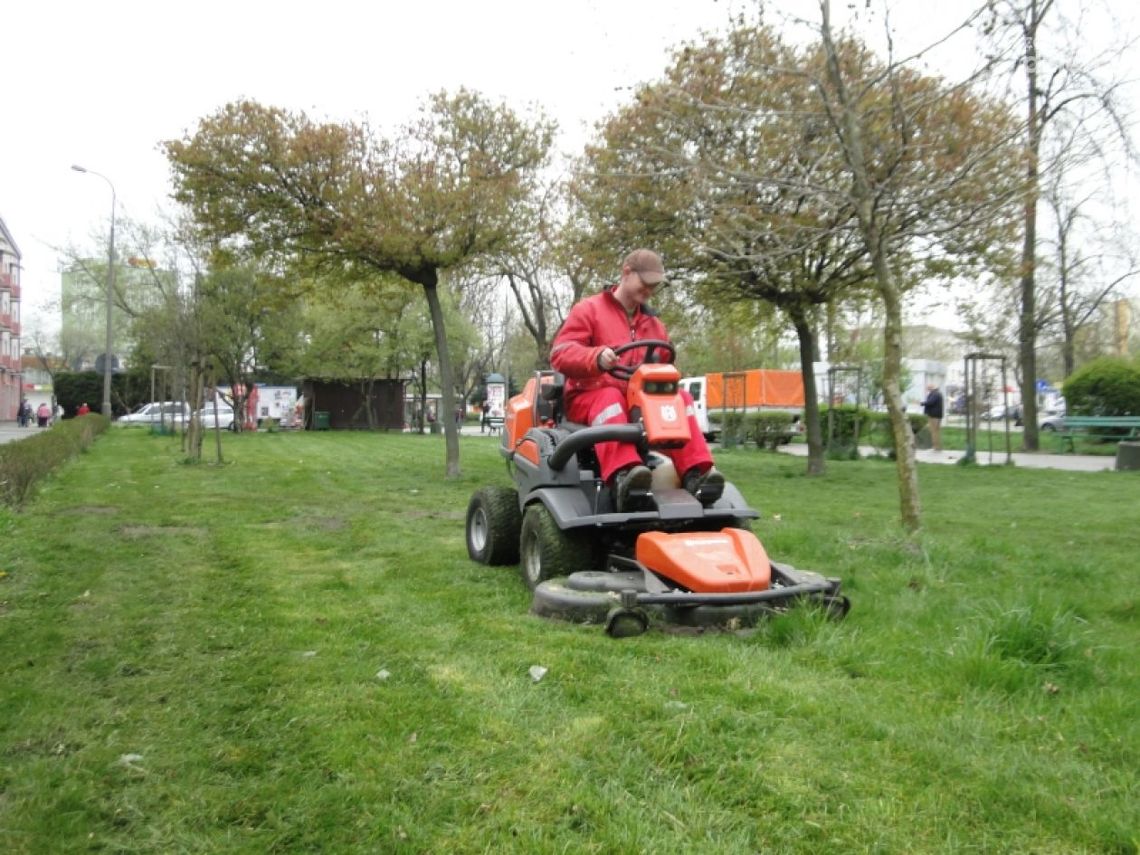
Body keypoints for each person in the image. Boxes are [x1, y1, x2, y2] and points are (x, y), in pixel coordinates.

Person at [550, 248, 723, 512]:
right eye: (646, 283)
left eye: (654, 285)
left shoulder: (654, 325)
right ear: (626, 273)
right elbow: (561, 354)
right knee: (610, 399)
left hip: (637, 400)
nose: (650, 290)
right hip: (589, 396)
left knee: (680, 398)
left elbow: (665, 362)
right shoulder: (589, 310)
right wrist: (595, 356)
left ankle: (697, 472)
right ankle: (625, 476)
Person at [923, 383, 944, 452]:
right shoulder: (937, 393)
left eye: (928, 388)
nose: (927, 389)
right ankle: (937, 447)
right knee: (936, 431)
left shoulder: (935, 394)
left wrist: (921, 403)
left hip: (934, 416)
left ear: (932, 387)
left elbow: (930, 402)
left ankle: (936, 447)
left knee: (934, 431)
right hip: (937, 415)